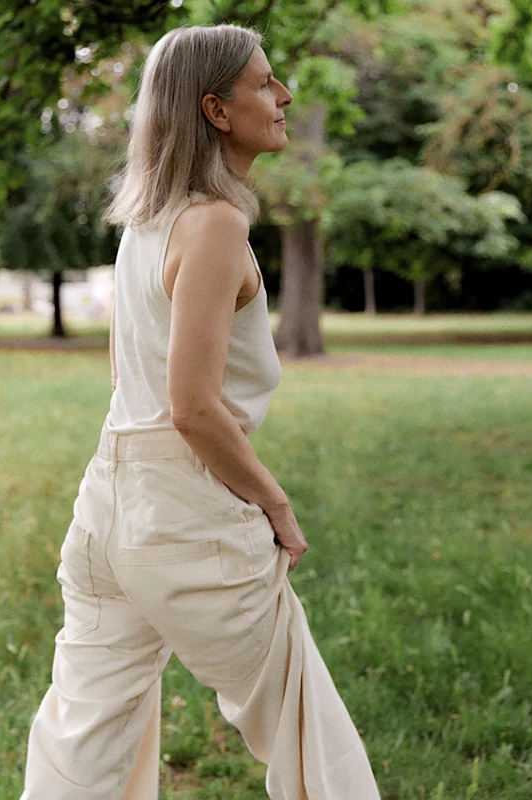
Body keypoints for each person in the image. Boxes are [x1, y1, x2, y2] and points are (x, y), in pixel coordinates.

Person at [19, 23, 381, 800]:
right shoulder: (214, 224)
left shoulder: (148, 221)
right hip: (184, 513)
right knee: (305, 732)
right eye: (264, 83)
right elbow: (192, 409)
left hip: (106, 510)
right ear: (217, 111)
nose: (283, 97)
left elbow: (130, 377)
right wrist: (275, 505)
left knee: (82, 747)